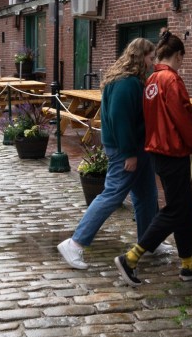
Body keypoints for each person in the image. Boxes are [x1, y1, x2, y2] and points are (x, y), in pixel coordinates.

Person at [115, 29, 192, 287]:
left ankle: (187, 264)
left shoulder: (151, 80)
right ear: (179, 55)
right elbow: (184, 119)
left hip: (159, 151)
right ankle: (131, 258)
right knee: (175, 210)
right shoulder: (171, 80)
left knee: (186, 209)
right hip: (173, 152)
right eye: (183, 57)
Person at [57, 38, 162, 270]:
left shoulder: (128, 80)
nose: (153, 62)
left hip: (136, 148)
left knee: (146, 195)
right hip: (128, 150)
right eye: (150, 58)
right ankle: (75, 243)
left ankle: (148, 243)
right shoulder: (127, 83)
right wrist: (128, 154)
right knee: (112, 195)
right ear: (140, 57)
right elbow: (121, 121)